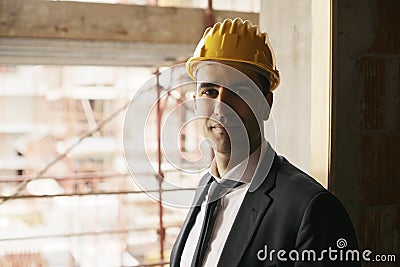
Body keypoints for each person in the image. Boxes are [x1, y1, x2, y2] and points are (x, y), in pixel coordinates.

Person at [170, 18, 360, 267]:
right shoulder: (206, 186)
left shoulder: (311, 210)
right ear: (196, 102)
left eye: (239, 92)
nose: (221, 108)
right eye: (209, 91)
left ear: (266, 104)